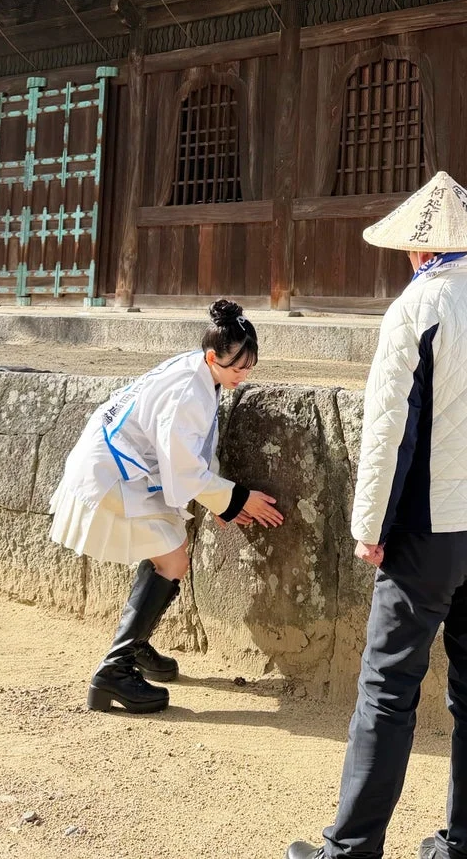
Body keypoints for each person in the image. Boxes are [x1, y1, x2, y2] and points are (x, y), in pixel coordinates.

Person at [288, 172, 467, 859]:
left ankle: (351, 848)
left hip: (432, 526)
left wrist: (368, 525)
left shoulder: (417, 308)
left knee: (387, 687)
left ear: (417, 251)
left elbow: (387, 430)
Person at [49, 299, 284, 714]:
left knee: (168, 551)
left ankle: (134, 648)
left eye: (250, 367)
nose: (243, 376)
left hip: (117, 462)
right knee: (173, 560)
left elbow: (192, 448)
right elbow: (184, 466)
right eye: (236, 368)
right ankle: (113, 671)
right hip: (112, 471)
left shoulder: (198, 371)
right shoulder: (188, 391)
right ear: (213, 357)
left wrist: (220, 501)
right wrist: (236, 499)